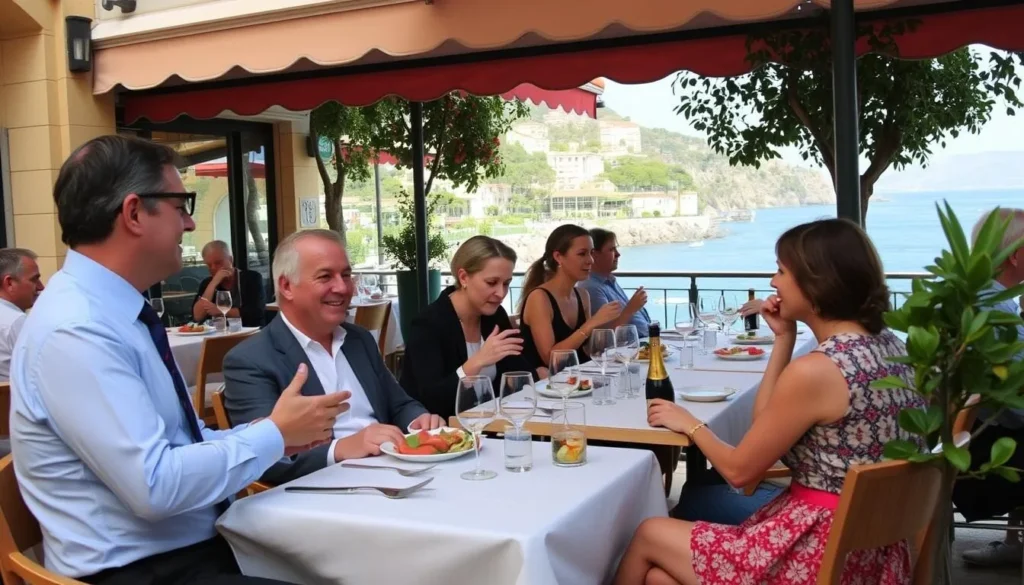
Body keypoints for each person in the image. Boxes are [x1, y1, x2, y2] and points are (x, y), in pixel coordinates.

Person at [10, 135, 347, 585]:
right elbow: (155, 486)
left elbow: (181, 443)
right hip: (141, 570)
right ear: (134, 213)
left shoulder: (111, 313)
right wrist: (273, 434)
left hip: (192, 548)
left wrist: (276, 433)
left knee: (353, 558)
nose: (189, 223)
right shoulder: (76, 329)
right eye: (180, 205)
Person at [613, 218, 925, 585]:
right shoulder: (891, 347)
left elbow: (740, 474)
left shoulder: (819, 370)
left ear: (816, 282)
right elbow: (764, 426)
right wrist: (783, 339)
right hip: (872, 553)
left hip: (818, 554)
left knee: (650, 532)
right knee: (657, 579)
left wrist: (690, 424)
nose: (773, 282)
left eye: (781, 271)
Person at [222, 229, 443, 485]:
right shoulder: (251, 360)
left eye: (346, 275)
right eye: (325, 276)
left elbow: (400, 404)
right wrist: (341, 448)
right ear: (286, 286)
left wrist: (419, 422)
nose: (342, 287)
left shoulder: (359, 339)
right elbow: (264, 457)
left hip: (396, 474)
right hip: (326, 490)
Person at [402, 236, 545, 420]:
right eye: (491, 282)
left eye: (506, 283)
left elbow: (520, 374)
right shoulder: (429, 324)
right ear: (463, 277)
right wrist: (477, 361)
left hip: (490, 424)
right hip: (440, 430)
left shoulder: (494, 316)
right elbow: (433, 401)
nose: (501, 293)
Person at [953, 208, 1024, 567]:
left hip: (969, 440)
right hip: (982, 455)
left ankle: (1015, 544)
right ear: (1016, 255)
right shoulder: (994, 312)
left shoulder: (975, 299)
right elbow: (1016, 407)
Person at [517, 224, 622, 369]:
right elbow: (550, 358)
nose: (590, 260)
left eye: (591, 253)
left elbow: (588, 349)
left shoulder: (582, 295)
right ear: (558, 257)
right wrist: (591, 324)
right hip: (549, 381)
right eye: (582, 254)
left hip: (581, 376)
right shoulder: (539, 298)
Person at [578, 228, 651, 337]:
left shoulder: (609, 280)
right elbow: (605, 335)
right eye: (612, 249)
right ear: (594, 255)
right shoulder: (591, 288)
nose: (618, 254)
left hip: (648, 340)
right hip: (633, 345)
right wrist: (631, 308)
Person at [192, 240, 266, 327]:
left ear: (231, 259)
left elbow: (256, 312)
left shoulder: (251, 278)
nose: (213, 268)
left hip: (250, 331)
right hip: (218, 332)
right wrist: (213, 283)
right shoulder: (207, 283)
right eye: (209, 265)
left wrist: (220, 311)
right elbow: (197, 316)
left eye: (218, 263)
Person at [0, 248, 44, 379]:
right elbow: (40, 372)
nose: (41, 287)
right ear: (9, 283)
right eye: (34, 279)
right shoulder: (16, 321)